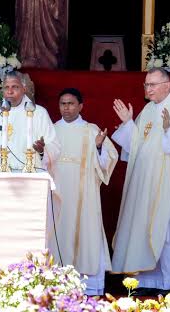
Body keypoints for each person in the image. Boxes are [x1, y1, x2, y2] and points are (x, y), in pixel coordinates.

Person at [110, 67, 170, 291]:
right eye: (146, 85)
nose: (148, 89)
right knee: (143, 226)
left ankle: (169, 280)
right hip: (143, 181)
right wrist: (129, 124)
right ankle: (146, 280)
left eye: (152, 85)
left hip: (167, 180)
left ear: (167, 86)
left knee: (165, 230)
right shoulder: (148, 109)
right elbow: (135, 146)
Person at [52, 88, 117, 296]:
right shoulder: (51, 130)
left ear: (81, 105)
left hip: (84, 194)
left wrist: (98, 148)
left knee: (86, 231)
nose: (67, 108)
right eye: (63, 103)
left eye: (71, 103)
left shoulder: (91, 130)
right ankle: (56, 281)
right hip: (58, 192)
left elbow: (110, 158)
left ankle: (87, 285)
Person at [0, 71, 59, 172]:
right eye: (6, 87)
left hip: (28, 175)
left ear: (24, 89)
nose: (10, 91)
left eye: (15, 87)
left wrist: (42, 151)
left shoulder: (39, 113)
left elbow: (54, 146)